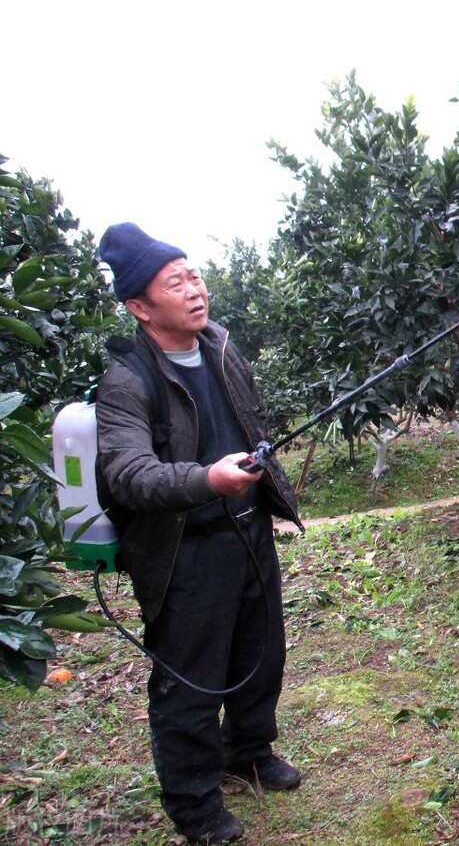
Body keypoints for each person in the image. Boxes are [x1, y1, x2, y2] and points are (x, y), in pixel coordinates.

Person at [95, 222, 303, 844]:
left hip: (247, 530)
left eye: (194, 275)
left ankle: (250, 752)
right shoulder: (127, 381)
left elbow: (249, 419)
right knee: (190, 680)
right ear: (140, 307)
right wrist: (208, 480)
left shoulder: (220, 346)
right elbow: (130, 475)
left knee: (260, 654)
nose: (194, 290)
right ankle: (195, 805)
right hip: (183, 552)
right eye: (175, 283)